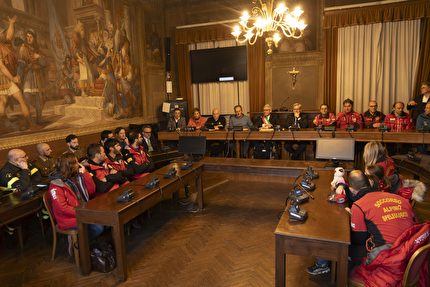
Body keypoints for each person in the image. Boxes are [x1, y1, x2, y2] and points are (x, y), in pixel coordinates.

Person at [307, 170, 417, 275]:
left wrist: (353, 218)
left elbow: (359, 240)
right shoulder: (400, 199)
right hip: (412, 251)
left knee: (341, 245)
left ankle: (327, 269)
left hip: (386, 256)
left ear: (352, 190)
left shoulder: (359, 205)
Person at [49, 152, 105, 255]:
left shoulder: (76, 178)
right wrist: (83, 213)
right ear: (69, 166)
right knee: (92, 226)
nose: (78, 164)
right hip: (68, 218)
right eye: (75, 162)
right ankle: (83, 252)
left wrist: (85, 174)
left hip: (82, 212)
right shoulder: (56, 185)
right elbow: (63, 208)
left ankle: (80, 244)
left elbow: (92, 190)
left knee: (102, 225)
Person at [17, 29, 49, 124]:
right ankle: (27, 120)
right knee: (26, 97)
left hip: (38, 76)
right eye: (27, 36)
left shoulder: (38, 51)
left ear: (34, 38)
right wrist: (18, 75)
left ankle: (39, 119)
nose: (29, 38)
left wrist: (39, 58)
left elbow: (44, 64)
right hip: (28, 75)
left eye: (31, 37)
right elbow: (20, 64)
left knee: (39, 98)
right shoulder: (23, 49)